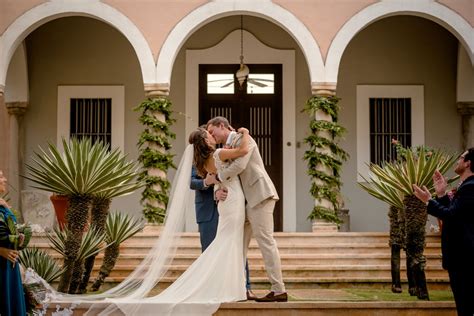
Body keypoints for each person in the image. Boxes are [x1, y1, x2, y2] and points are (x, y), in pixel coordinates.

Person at [207, 116, 287, 302]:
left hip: (259, 196)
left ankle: (278, 290)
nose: (211, 136)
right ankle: (239, 289)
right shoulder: (222, 150)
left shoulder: (244, 138)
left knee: (266, 242)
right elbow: (224, 177)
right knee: (238, 246)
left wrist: (218, 176)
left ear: (222, 126)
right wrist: (216, 191)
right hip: (241, 204)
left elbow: (240, 165)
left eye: (213, 132)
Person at [413, 148, 474, 316]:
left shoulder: (470, 187)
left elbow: (451, 215)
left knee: (466, 305)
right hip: (461, 257)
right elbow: (454, 214)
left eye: (461, 158)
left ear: (468, 162)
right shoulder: (466, 186)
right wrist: (440, 193)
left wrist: (428, 201)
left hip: (465, 257)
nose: (457, 161)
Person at [190, 164, 255, 299]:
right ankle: (210, 288)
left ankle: (245, 287)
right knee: (209, 251)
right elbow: (191, 182)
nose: (210, 142)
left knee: (236, 246)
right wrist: (208, 183)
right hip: (207, 212)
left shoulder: (224, 158)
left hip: (230, 206)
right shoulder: (196, 161)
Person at [0, 170, 27, 316]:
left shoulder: (3, 203)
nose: (4, 179)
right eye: (1, 177)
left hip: (10, 264)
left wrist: (18, 238)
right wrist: (1, 251)